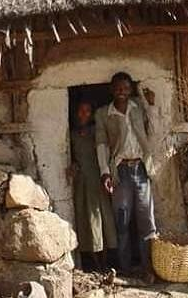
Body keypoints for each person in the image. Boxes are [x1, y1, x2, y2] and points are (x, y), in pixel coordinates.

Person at [95, 72, 160, 282]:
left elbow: (154, 128)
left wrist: (151, 105)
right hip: (120, 171)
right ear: (111, 90)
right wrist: (105, 172)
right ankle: (124, 269)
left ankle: (147, 267)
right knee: (122, 221)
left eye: (125, 88)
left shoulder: (138, 108)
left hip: (141, 169)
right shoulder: (104, 114)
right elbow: (101, 145)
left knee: (145, 221)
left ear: (131, 89)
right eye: (117, 88)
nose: (121, 91)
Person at [70, 100, 117, 271]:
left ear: (92, 114)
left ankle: (106, 264)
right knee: (88, 223)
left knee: (104, 222)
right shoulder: (71, 134)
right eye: (80, 110)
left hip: (98, 180)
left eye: (87, 111)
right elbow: (71, 156)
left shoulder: (96, 132)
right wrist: (73, 165)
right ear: (75, 113)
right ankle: (94, 264)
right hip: (83, 183)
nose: (83, 114)